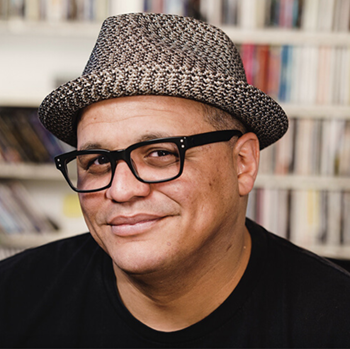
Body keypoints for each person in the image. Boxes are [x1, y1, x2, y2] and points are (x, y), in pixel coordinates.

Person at [1, 13, 350, 348]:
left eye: (160, 154)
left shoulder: (333, 322)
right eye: (99, 161)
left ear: (243, 163)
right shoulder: (13, 299)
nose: (121, 190)